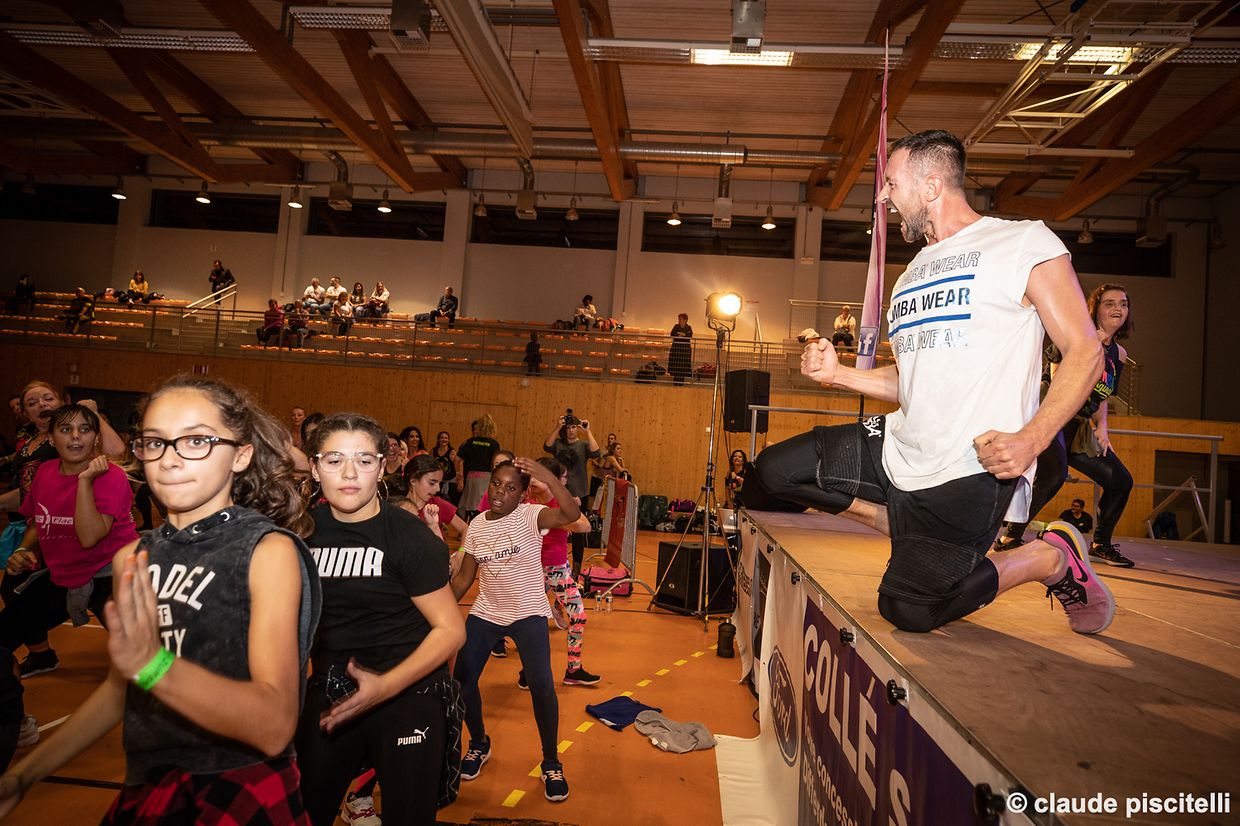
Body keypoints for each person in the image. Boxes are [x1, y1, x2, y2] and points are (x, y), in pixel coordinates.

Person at [754, 129, 1115, 636]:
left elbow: (1085, 351)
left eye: (891, 183)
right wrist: (840, 375)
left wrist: (1031, 440)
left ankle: (1048, 560)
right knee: (775, 472)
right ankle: (893, 520)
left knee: (910, 611)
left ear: (929, 186)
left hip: (972, 462)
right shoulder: (911, 275)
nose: (883, 197)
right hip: (902, 446)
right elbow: (912, 382)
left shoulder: (1021, 242)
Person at [0, 374, 322, 822]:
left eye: (195, 441)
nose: (168, 459)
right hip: (154, 781)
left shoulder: (267, 552)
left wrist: (154, 666)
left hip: (235, 782)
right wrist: (24, 774)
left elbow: (273, 727)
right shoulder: (134, 556)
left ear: (241, 455)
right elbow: (122, 688)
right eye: (154, 442)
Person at [295, 414, 465, 826]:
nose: (349, 473)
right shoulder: (301, 533)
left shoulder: (409, 538)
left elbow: (451, 630)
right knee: (302, 812)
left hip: (407, 691)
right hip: (332, 689)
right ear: (315, 467)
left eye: (363, 460)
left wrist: (386, 686)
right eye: (334, 460)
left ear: (382, 465)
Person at [450, 459, 581, 802]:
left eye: (510, 488)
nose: (500, 493)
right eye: (496, 484)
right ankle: (479, 743)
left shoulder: (530, 516)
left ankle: (551, 761)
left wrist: (549, 479)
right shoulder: (477, 525)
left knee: (541, 686)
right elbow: (465, 577)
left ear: (523, 494)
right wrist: (437, 613)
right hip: (487, 612)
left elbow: (568, 515)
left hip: (528, 614)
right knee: (462, 680)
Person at [993, 284, 1136, 567]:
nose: (1117, 308)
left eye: (1122, 303)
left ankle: (1101, 544)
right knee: (1053, 475)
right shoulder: (1076, 338)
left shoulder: (1118, 354)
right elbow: (1060, 386)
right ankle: (1010, 537)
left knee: (1120, 481)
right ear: (1095, 309)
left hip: (1080, 428)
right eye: (1109, 303)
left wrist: (1102, 427)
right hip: (1053, 418)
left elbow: (1104, 394)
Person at [0, 383, 125, 677]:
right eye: (66, 430)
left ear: (95, 438)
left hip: (110, 577)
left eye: (84, 429)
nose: (76, 436)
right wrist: (22, 548)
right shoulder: (44, 473)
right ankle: (12, 717)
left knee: (147, 666)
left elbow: (90, 537)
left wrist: (84, 482)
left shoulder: (110, 476)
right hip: (63, 576)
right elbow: (38, 520)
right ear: (52, 439)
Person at [519, 457, 599, 689]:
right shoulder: (526, 501)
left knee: (578, 616)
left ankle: (573, 669)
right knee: (531, 622)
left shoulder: (559, 502)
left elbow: (584, 526)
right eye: (531, 477)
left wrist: (555, 519)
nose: (532, 481)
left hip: (556, 568)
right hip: (532, 568)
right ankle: (528, 672)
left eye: (537, 476)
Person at [543, 412, 600, 575]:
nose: (570, 430)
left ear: (577, 428)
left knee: (577, 532)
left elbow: (596, 452)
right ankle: (550, 563)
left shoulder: (582, 445)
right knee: (555, 528)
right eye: (568, 428)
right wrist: (557, 426)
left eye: (574, 427)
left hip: (579, 492)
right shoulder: (559, 444)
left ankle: (576, 567)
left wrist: (587, 430)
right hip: (558, 492)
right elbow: (547, 446)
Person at [399, 455, 470, 552]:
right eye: (432, 483)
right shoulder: (397, 507)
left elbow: (465, 528)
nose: (438, 489)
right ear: (413, 480)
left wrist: (461, 552)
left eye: (439, 483)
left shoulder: (438, 504)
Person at [456, 416, 500, 519]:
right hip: (487, 478)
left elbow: (458, 459)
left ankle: (467, 527)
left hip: (472, 478)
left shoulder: (470, 442)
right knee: (483, 506)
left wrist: (460, 475)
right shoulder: (494, 444)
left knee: (469, 505)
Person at [431, 431, 458, 504]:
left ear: (448, 440)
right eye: (442, 438)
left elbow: (457, 468)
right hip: (437, 481)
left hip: (450, 482)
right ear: (438, 439)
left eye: (446, 438)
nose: (444, 440)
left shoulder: (452, 452)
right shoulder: (433, 451)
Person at [669, 312, 693, 384]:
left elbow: (689, 335)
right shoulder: (676, 326)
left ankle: (681, 381)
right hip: (676, 349)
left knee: (683, 364)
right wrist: (683, 334)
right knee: (676, 363)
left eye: (681, 319)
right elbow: (672, 334)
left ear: (685, 320)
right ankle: (675, 381)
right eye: (679, 319)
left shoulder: (688, 327)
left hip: (685, 350)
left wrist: (682, 334)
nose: (679, 320)